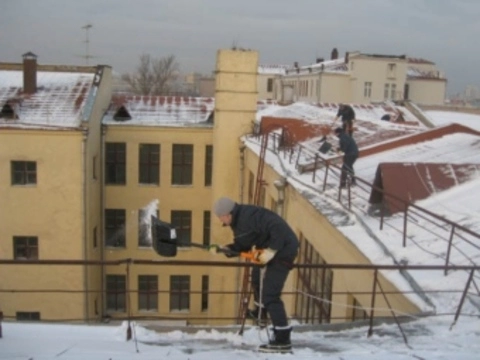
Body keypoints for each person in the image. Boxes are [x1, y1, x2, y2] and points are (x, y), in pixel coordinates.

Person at [212, 197, 299, 353]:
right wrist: (224, 249)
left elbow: (277, 226)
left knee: (271, 295)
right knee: (256, 277)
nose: (221, 221)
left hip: (284, 249)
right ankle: (261, 310)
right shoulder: (238, 221)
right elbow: (242, 245)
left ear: (228, 213)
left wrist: (271, 251)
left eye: (221, 217)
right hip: (269, 248)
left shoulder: (248, 216)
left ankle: (283, 339)